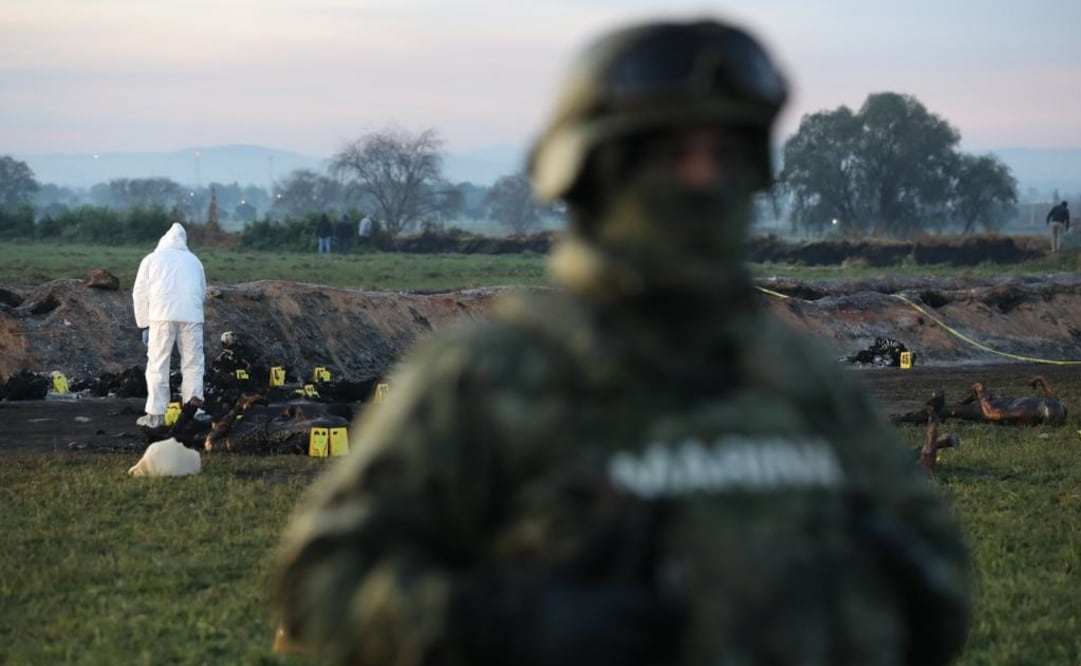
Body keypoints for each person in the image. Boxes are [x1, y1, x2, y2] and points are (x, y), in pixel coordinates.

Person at [272, 18, 972, 666]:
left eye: (724, 152)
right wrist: (507, 624)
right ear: (599, 172)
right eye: (674, 153)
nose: (705, 178)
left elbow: (935, 572)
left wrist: (860, 584)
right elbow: (322, 579)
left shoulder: (796, 376)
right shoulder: (492, 377)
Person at [132, 222, 207, 428]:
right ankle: (195, 410)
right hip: (191, 317)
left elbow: (140, 293)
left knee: (158, 364)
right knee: (193, 364)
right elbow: (202, 291)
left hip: (161, 316)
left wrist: (144, 324)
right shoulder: (194, 260)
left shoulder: (151, 260)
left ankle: (156, 415)